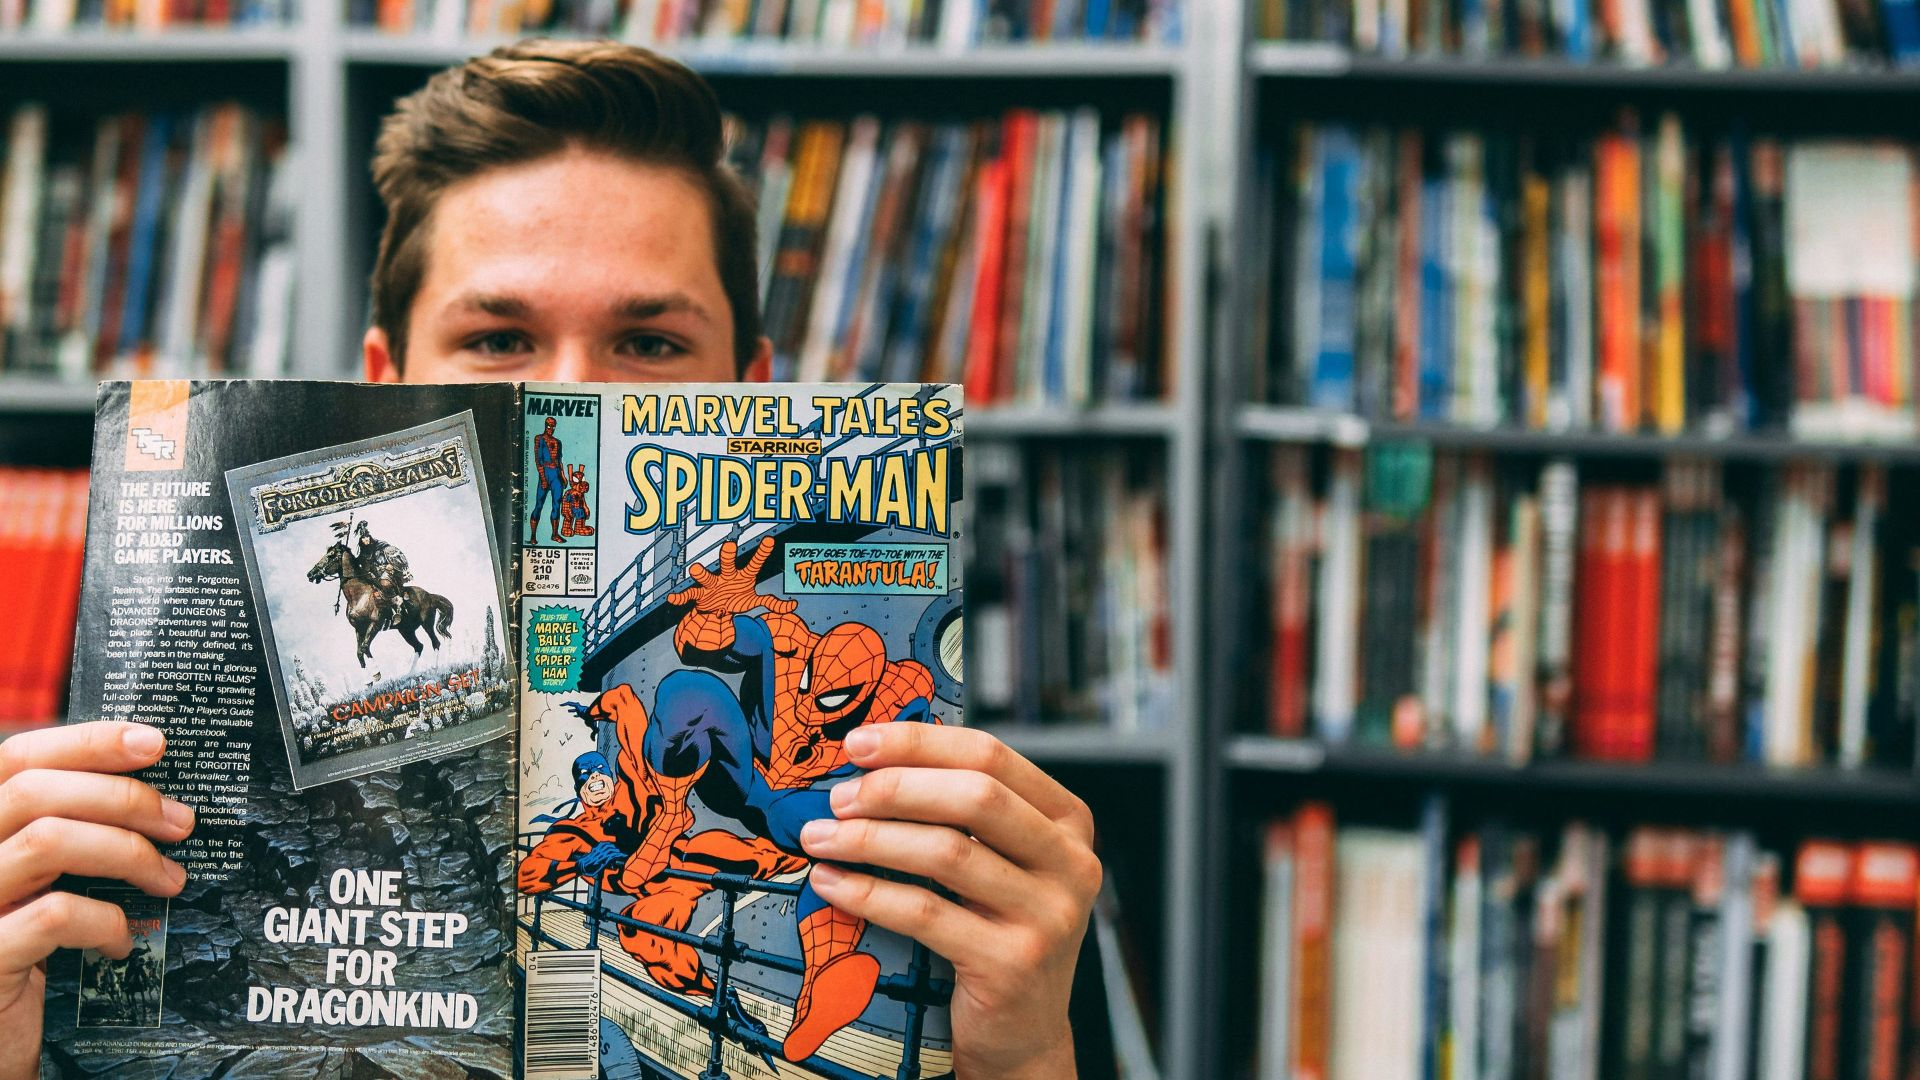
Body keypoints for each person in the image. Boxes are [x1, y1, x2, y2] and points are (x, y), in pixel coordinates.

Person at [0, 38, 1101, 1080]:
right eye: (496, 340)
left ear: (755, 393)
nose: (574, 395)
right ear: (384, 384)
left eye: (651, 345)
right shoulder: (108, 781)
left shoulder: (962, 863)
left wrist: (1026, 1059)